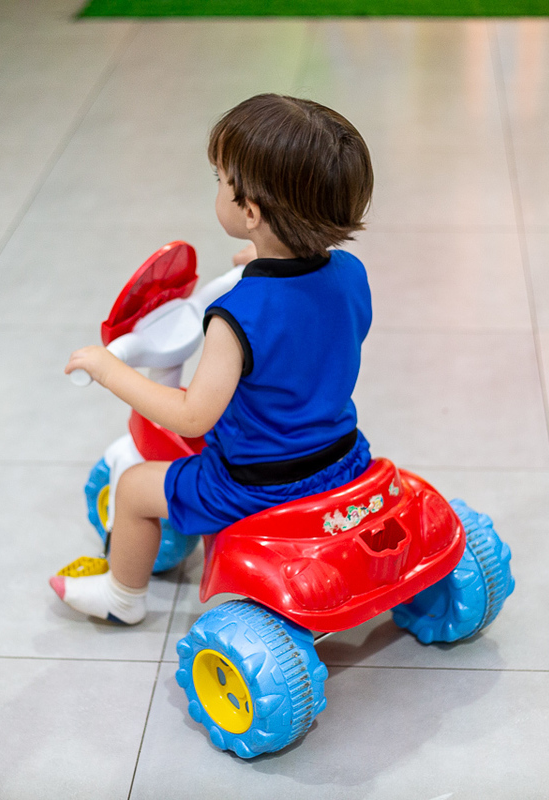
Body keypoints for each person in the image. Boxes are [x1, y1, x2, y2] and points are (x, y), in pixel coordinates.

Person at [54, 94, 375, 625]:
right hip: (342, 458)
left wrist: (113, 371)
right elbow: (323, 326)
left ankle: (121, 597)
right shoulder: (350, 273)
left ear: (250, 212)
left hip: (256, 480)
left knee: (133, 489)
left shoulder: (234, 316)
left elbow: (191, 417)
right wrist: (268, 258)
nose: (219, 188)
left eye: (221, 180)